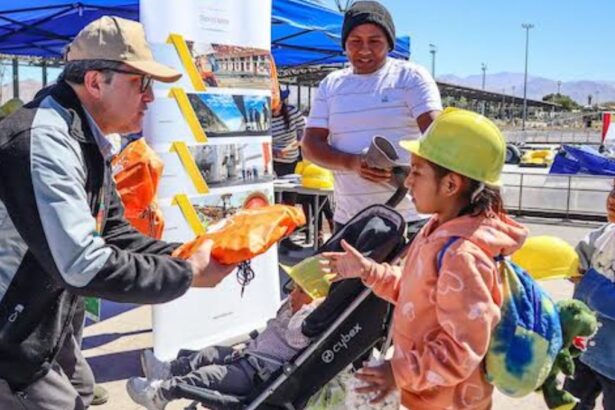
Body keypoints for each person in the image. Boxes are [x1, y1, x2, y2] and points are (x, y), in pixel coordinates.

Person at [0, 16, 236, 410]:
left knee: (86, 391)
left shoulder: (84, 135)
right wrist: (188, 274)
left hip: (50, 320)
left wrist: (187, 251)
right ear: (95, 82)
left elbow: (113, 232)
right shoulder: (42, 141)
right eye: (140, 83)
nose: (150, 96)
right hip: (14, 336)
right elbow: (83, 265)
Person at [321, 109, 529, 410]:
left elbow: (463, 349)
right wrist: (368, 271)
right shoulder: (437, 231)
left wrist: (398, 371)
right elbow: (415, 292)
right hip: (424, 394)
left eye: (417, 171)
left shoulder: (463, 256)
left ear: (450, 185)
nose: (408, 183)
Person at [302, 1, 442, 231]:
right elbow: (310, 145)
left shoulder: (410, 78)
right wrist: (352, 163)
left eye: (375, 41)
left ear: (389, 43)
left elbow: (438, 138)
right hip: (349, 220)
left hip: (407, 220)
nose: (364, 50)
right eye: (355, 41)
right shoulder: (331, 85)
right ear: (344, 45)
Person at [126, 278, 328, 410]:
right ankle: (167, 370)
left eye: (300, 291)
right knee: (209, 353)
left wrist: (311, 309)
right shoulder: (291, 309)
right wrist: (295, 302)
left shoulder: (304, 327)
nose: (293, 294)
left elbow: (295, 333)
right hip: (247, 357)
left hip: (256, 374)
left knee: (208, 375)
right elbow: (280, 313)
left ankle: (160, 394)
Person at [563, 179, 615, 410]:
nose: (612, 200)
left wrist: (587, 281)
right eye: (613, 191)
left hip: (612, 360)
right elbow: (578, 258)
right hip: (584, 349)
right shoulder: (603, 235)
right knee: (570, 402)